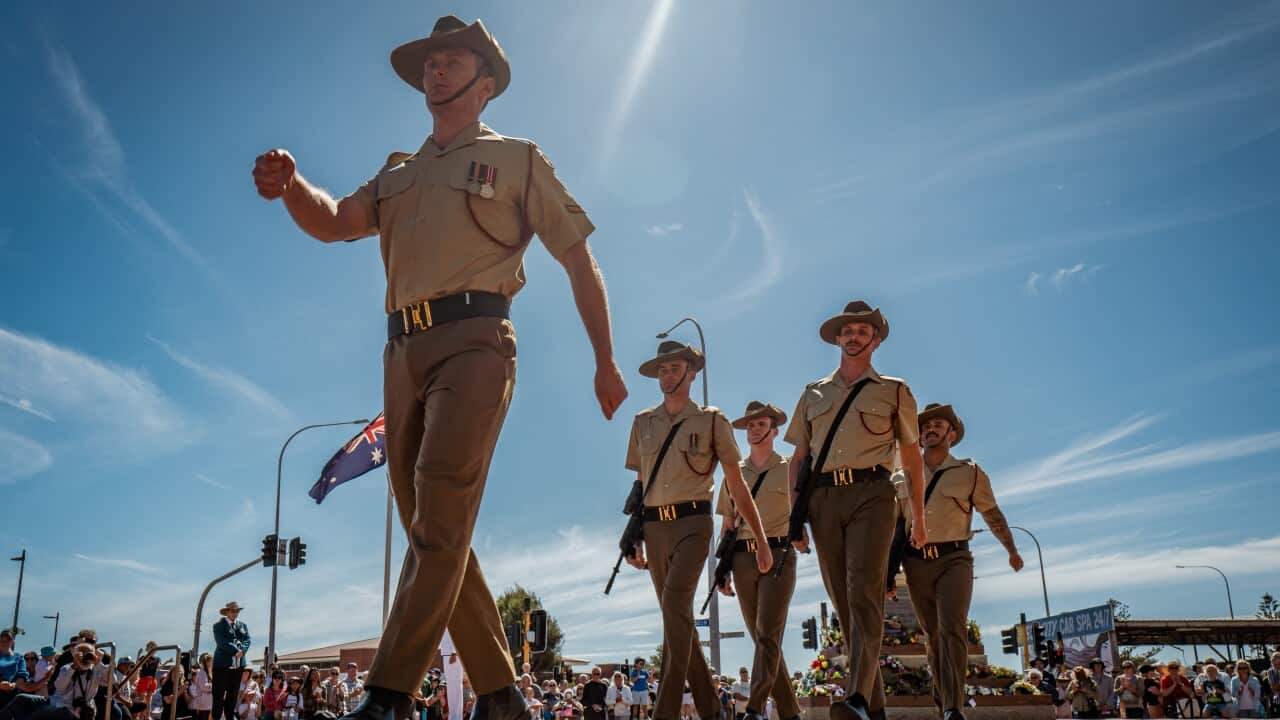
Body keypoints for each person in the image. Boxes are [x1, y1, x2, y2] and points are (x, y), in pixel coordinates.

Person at [253, 13, 627, 720]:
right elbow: (335, 220)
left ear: (486, 85)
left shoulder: (519, 159)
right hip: (401, 352)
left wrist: (604, 360)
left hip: (477, 340)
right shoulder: (399, 171)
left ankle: (389, 693)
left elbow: (578, 256)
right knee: (435, 526)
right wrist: (293, 186)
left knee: (436, 500)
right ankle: (501, 692)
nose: (437, 68)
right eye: (431, 61)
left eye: (453, 60)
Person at [784, 301, 926, 720]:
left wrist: (918, 516)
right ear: (837, 337)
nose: (854, 336)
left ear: (875, 340)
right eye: (848, 330)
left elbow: (912, 457)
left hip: (873, 495)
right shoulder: (813, 393)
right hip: (823, 501)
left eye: (863, 331)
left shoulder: (895, 390)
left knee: (864, 592)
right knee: (844, 605)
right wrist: (795, 516)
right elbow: (797, 459)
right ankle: (872, 709)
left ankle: (857, 699)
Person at [624, 341, 772, 720]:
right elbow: (641, 486)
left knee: (675, 606)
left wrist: (759, 537)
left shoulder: (712, 420)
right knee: (678, 619)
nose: (667, 376)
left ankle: (666, 712)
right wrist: (632, 535)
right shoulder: (642, 422)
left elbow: (737, 486)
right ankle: (712, 710)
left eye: (674, 368)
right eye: (662, 370)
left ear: (692, 372)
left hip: (694, 522)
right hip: (654, 527)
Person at [889, 402, 1021, 720]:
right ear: (918, 436)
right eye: (925, 426)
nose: (930, 429)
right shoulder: (900, 477)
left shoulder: (969, 472)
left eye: (938, 424)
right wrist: (888, 573)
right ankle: (944, 701)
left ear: (952, 433)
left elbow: (991, 513)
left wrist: (1011, 550)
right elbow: (895, 530)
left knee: (952, 629)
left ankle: (953, 707)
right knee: (934, 637)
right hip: (916, 563)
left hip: (955, 559)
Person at [715, 402, 801, 720]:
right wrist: (721, 570)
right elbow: (726, 525)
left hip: (778, 555)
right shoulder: (733, 473)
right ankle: (791, 713)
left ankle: (754, 709)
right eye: (750, 425)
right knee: (762, 638)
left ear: (774, 429)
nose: (754, 429)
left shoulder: (790, 467)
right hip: (740, 558)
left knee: (767, 633)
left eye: (760, 423)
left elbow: (804, 509)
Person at [211, 603, 250, 720]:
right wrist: (236, 650)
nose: (235, 613)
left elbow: (248, 639)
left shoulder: (243, 625)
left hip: (239, 666)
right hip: (222, 665)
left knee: (232, 697)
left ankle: (229, 717)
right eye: (233, 611)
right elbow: (221, 641)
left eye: (237, 611)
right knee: (218, 696)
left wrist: (242, 651)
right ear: (227, 612)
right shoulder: (218, 625)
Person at [0, 629, 30, 709]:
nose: (4, 641)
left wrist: (13, 685)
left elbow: (22, 674)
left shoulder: (19, 657)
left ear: (13, 641)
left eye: (8, 639)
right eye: (2, 639)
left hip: (11, 695)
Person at [438, 632, 463, 720]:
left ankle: (457, 717)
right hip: (446, 652)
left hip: (452, 655)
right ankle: (453, 716)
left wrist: (454, 652)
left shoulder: (454, 617)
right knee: (451, 688)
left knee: (455, 687)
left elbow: (458, 632)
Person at [191, 655, 214, 720]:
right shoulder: (202, 672)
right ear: (207, 662)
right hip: (203, 704)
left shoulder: (207, 673)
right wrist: (215, 686)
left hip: (207, 704)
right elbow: (203, 686)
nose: (212, 663)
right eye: (211, 661)